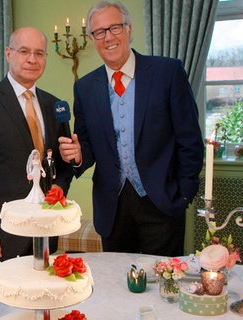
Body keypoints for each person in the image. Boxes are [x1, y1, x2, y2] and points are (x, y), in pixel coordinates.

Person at [58, 1, 204, 257]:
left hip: (162, 202)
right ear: (92, 39)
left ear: (128, 29)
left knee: (163, 287)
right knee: (119, 287)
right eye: (99, 32)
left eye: (114, 28)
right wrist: (79, 155)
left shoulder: (167, 72)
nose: (108, 37)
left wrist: (183, 195)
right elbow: (87, 145)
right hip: (112, 209)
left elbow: (190, 139)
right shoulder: (85, 88)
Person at [0, 27, 73, 266]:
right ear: (9, 54)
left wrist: (58, 191)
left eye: (39, 53)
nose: (32, 59)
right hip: (0, 236)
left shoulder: (55, 105)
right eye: (24, 51)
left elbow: (62, 165)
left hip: (44, 233)